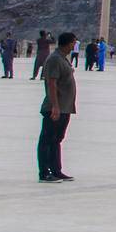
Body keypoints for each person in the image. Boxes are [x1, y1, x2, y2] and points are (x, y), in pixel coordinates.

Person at [37, 31, 78, 182]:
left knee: (56, 139)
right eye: (73, 42)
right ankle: (44, 172)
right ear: (68, 43)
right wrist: (55, 106)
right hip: (55, 107)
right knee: (47, 140)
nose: (75, 45)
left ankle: (56, 170)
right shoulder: (54, 59)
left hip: (64, 107)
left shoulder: (62, 58)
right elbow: (51, 83)